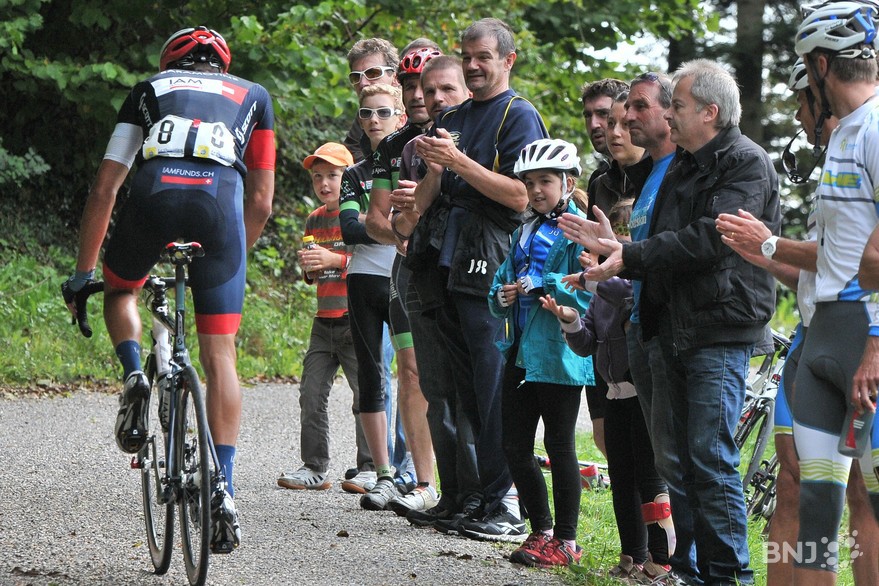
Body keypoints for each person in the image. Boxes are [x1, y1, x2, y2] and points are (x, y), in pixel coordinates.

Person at [560, 59, 780, 584]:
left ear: (710, 112)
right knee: (676, 462)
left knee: (710, 457)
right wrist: (616, 249)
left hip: (718, 330)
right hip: (665, 329)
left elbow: (711, 238)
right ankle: (688, 571)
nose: (667, 115)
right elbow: (659, 248)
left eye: (675, 105)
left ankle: (730, 576)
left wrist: (627, 255)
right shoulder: (680, 167)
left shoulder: (745, 162)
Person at [61, 26, 275, 553]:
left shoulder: (148, 89)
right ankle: (223, 485)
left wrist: (83, 273)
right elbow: (262, 201)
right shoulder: (254, 95)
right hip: (219, 211)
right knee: (220, 355)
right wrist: (229, 260)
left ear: (170, 63)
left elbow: (106, 186)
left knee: (120, 291)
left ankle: (135, 373)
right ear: (221, 66)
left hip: (153, 198)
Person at [716, 57, 879, 585]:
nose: (797, 117)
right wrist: (765, 257)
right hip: (815, 338)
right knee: (799, 488)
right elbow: (821, 270)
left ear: (819, 93)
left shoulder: (868, 137)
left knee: (864, 494)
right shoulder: (832, 167)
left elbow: (856, 261)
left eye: (800, 103)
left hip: (860, 335)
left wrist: (769, 244)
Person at [410, 17, 549, 542]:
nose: (471, 66)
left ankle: (506, 504)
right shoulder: (456, 115)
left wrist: (457, 161)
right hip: (445, 258)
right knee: (462, 388)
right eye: (465, 57)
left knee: (492, 386)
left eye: (482, 57)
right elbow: (438, 185)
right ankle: (472, 498)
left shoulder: (519, 114)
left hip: (491, 260)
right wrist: (420, 193)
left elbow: (522, 196)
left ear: (508, 60)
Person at [769, 4, 879, 581]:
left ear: (818, 64)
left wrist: (877, 342)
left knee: (875, 504)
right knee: (815, 509)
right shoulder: (844, 134)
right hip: (824, 334)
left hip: (865, 335)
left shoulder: (877, 128)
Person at [545, 198, 675, 582]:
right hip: (614, 393)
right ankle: (632, 555)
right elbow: (587, 342)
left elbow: (625, 295)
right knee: (621, 478)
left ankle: (663, 559)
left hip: (642, 392)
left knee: (650, 479)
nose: (602, 251)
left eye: (617, 241)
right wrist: (569, 320)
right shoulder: (602, 292)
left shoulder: (631, 283)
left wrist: (594, 277)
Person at [387, 55, 483, 527]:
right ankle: (452, 494)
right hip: (424, 272)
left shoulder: (482, 138)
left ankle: (485, 495)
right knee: (437, 390)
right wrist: (426, 187)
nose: (435, 99)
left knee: (472, 392)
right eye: (428, 92)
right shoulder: (412, 149)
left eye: (447, 89)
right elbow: (400, 225)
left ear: (467, 91)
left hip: (471, 274)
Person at [486, 138, 591, 567]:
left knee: (559, 444)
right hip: (520, 351)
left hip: (559, 353)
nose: (536, 190)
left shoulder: (580, 229)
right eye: (529, 183)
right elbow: (501, 279)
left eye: (545, 181)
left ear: (567, 183)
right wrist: (502, 295)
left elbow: (589, 289)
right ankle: (541, 531)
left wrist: (545, 284)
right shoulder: (524, 230)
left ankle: (567, 540)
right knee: (513, 444)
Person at [356, 46, 443, 515]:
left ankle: (483, 484)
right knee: (410, 371)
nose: (417, 94)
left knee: (456, 374)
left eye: (424, 85)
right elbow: (374, 220)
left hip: (456, 266)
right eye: (408, 86)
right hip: (408, 270)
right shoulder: (393, 146)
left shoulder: (462, 131)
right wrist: (402, 234)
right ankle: (425, 482)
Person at [621, 70, 700, 583]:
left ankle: (694, 566)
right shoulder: (648, 173)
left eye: (639, 106)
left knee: (687, 456)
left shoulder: (684, 170)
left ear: (670, 113)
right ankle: (677, 563)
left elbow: (679, 249)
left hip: (674, 330)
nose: (627, 116)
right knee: (665, 458)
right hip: (640, 326)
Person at [338, 83, 422, 512]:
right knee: (371, 377)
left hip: (402, 279)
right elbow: (350, 228)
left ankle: (416, 473)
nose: (374, 120)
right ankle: (382, 473)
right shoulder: (354, 173)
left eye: (384, 112)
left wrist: (383, 225)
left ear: (401, 117)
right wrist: (399, 232)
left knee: (413, 373)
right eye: (366, 113)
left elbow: (373, 223)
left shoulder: (413, 164)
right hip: (364, 280)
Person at [276, 142, 359, 491]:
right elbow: (313, 272)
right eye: (317, 177)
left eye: (333, 176)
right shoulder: (314, 218)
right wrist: (309, 268)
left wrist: (334, 259)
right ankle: (314, 467)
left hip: (356, 319)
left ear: (348, 177)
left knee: (366, 395)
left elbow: (372, 263)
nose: (324, 184)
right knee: (310, 394)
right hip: (323, 321)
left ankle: (372, 469)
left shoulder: (359, 215)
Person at [578, 77, 629, 461]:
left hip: (635, 319)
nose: (598, 125)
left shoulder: (660, 172)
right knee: (603, 433)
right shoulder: (600, 180)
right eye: (590, 116)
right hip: (602, 317)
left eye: (606, 116)